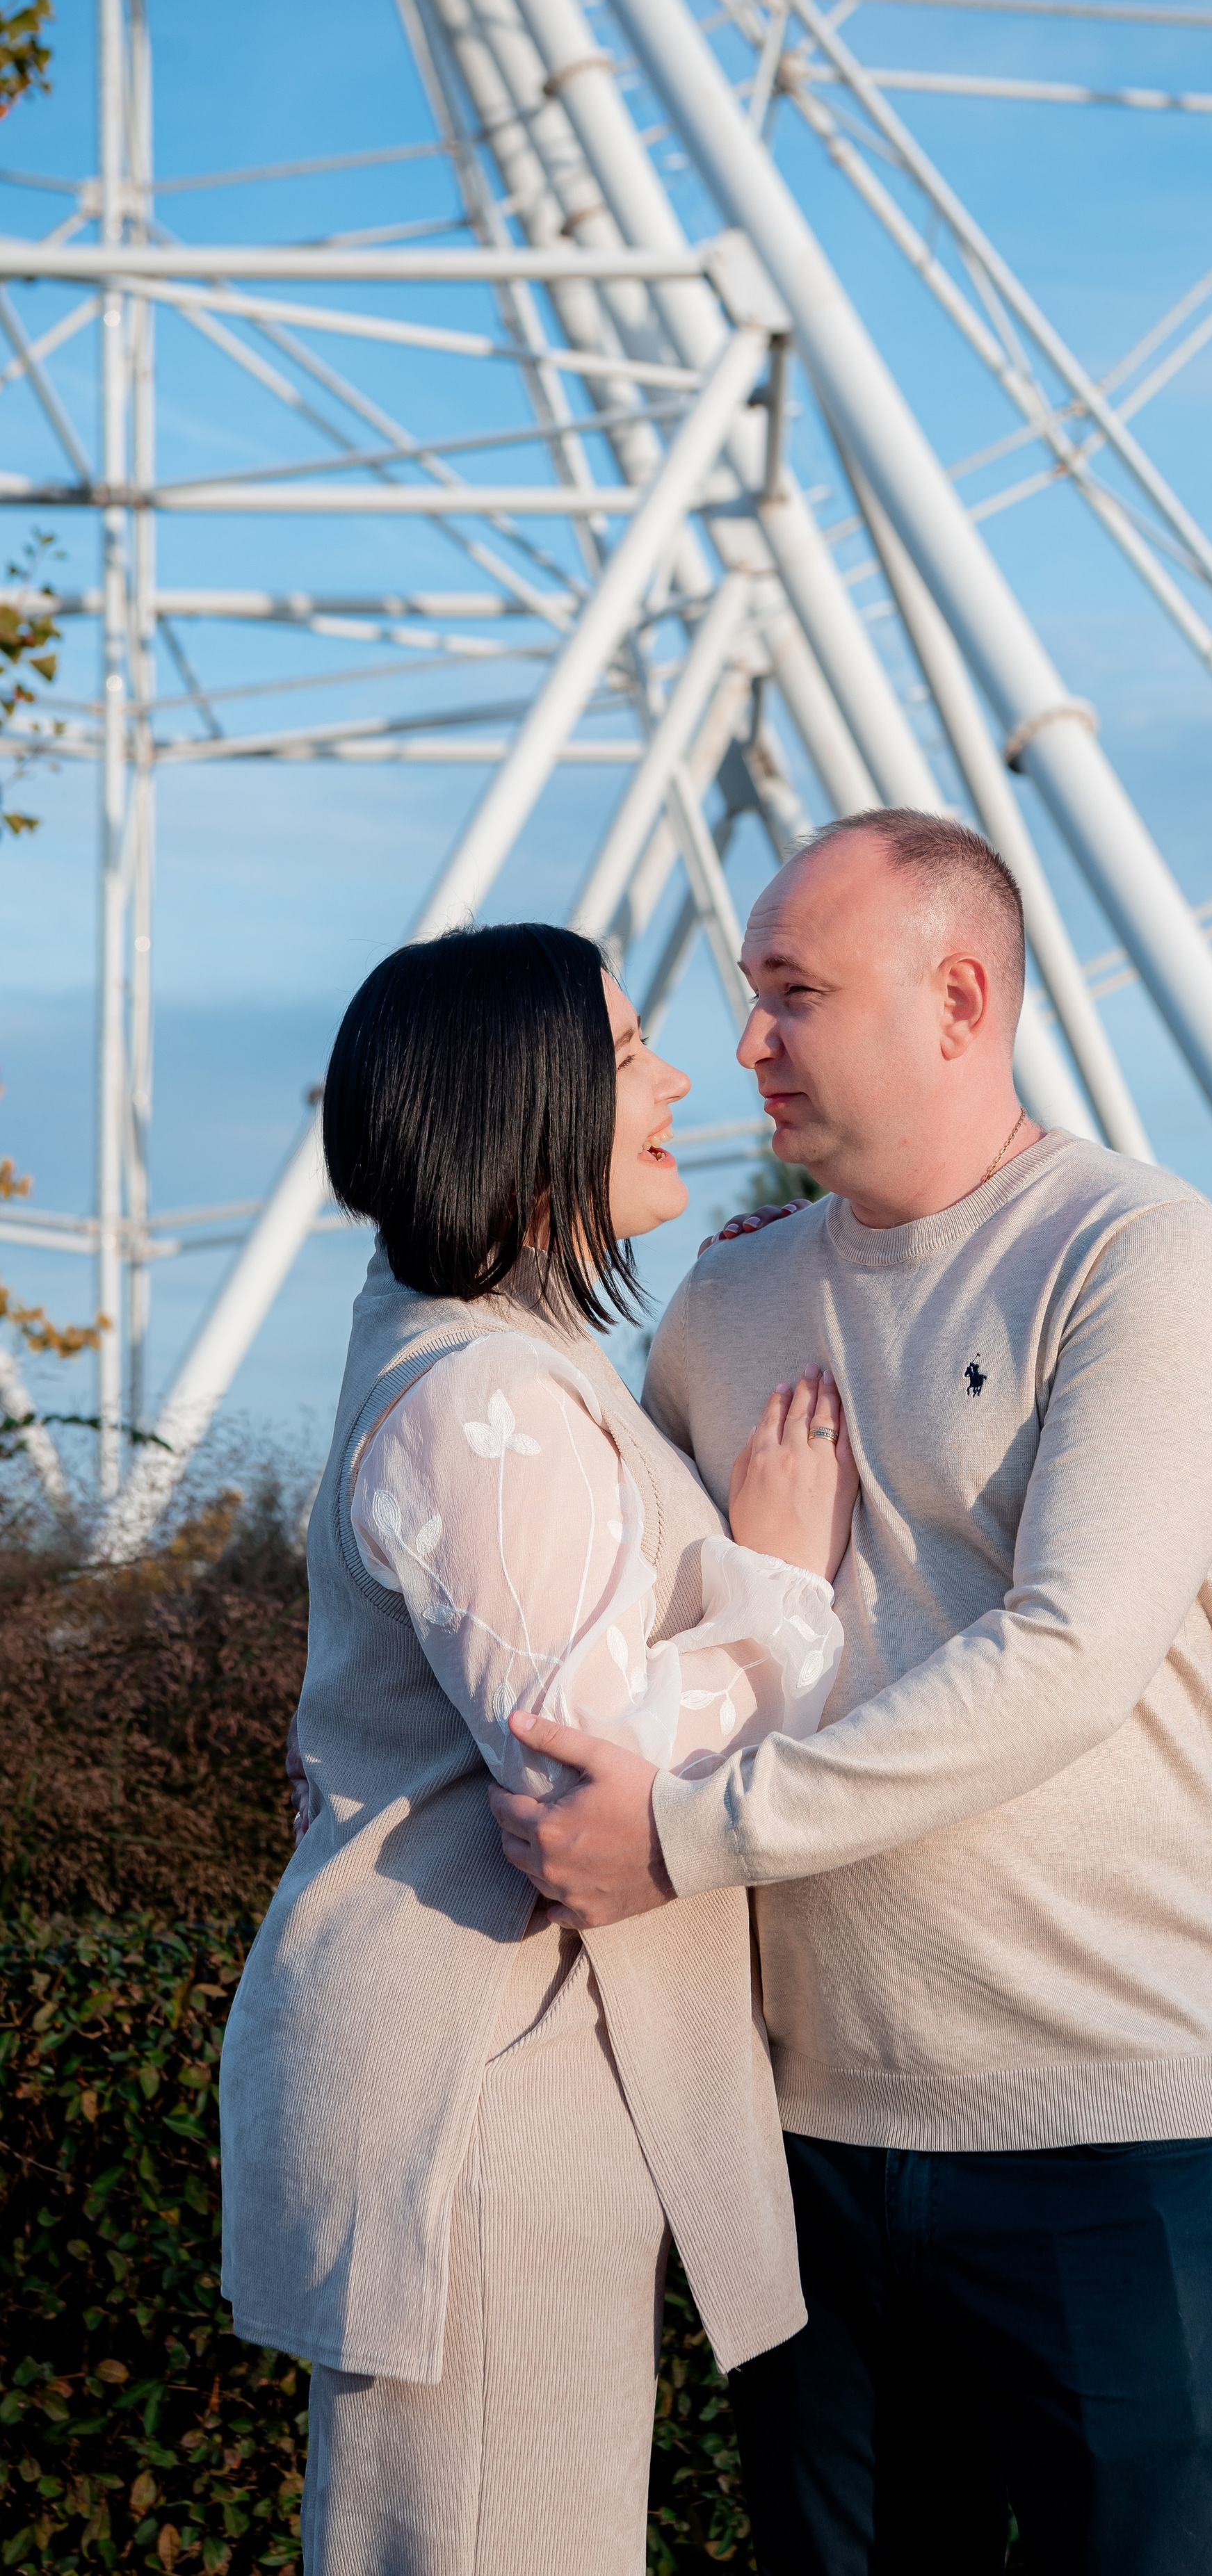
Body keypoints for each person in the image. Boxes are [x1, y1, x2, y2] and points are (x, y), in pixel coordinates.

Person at [493, 814, 1212, 2576]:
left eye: (794, 992)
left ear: (957, 998)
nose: (744, 1041)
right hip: (797, 2143)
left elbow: (1068, 1655)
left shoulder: (1135, 1254)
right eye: (748, 992)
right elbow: (616, 1636)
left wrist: (688, 1836)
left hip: (1100, 2128)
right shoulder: (722, 1305)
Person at [219, 922, 859, 2576]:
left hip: (502, 2071)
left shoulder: (490, 1358)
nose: (678, 1078)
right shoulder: (481, 1400)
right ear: (521, 1103)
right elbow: (587, 1773)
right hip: (490, 2092)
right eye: (629, 1051)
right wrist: (778, 1584)